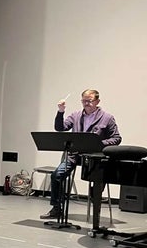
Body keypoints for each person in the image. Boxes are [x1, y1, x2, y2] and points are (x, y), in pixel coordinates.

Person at [40, 89, 122, 220]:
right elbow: (60, 128)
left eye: (89, 101)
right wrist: (60, 112)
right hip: (75, 155)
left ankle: (96, 209)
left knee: (98, 181)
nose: (86, 103)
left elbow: (116, 138)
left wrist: (98, 143)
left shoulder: (107, 117)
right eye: (84, 101)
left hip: (94, 157)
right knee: (56, 176)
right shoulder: (76, 115)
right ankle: (57, 208)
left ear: (97, 101)